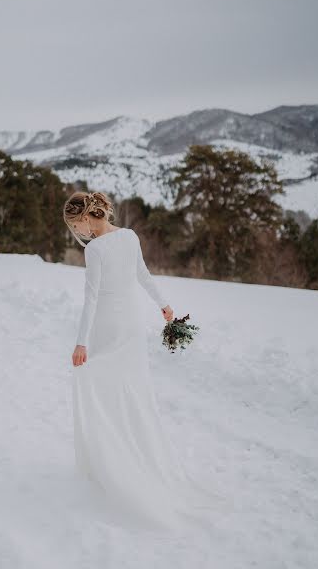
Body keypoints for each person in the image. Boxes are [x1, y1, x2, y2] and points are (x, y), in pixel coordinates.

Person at [63, 191, 225, 533]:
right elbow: (143, 274)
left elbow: (91, 299)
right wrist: (163, 304)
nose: (81, 233)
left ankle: (116, 461)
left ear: (86, 218)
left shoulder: (94, 249)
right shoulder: (130, 236)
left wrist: (81, 343)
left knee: (102, 389)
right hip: (132, 325)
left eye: (77, 225)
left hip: (108, 325)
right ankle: (134, 455)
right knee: (133, 390)